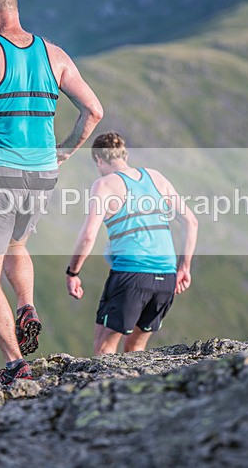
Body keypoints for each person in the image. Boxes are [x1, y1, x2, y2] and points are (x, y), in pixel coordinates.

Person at [0, 0, 103, 384]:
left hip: (0, 174)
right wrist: (65, 150)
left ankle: (16, 363)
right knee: (16, 244)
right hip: (42, 174)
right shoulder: (55, 55)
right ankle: (26, 304)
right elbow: (94, 111)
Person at [65, 132, 198, 355]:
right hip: (166, 277)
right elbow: (191, 222)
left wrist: (73, 273)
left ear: (99, 159)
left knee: (104, 348)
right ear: (124, 155)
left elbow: (89, 236)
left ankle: (105, 390)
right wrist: (184, 268)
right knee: (137, 350)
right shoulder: (157, 178)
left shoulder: (104, 184)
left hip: (131, 275)